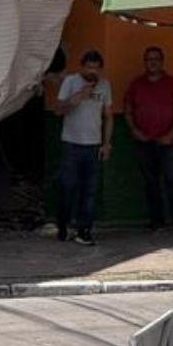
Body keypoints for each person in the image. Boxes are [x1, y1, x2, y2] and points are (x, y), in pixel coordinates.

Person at [124, 47, 173, 236]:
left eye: (156, 59)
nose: (152, 62)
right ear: (145, 62)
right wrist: (134, 131)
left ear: (162, 61)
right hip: (144, 141)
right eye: (149, 59)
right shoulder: (136, 84)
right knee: (151, 183)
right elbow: (127, 110)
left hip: (168, 143)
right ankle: (157, 222)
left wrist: (171, 134)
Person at [55, 50, 113, 246]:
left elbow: (108, 116)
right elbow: (59, 110)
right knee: (67, 187)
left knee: (89, 191)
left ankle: (84, 231)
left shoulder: (105, 85)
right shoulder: (71, 82)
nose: (92, 72)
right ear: (82, 67)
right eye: (89, 67)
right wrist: (79, 96)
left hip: (93, 145)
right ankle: (62, 224)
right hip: (71, 144)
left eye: (96, 68)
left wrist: (106, 143)